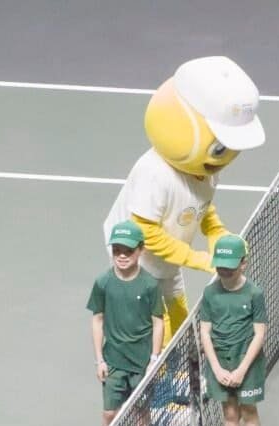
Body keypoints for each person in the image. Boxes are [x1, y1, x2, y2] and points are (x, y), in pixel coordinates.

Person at [103, 56, 265, 345]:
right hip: (138, 262)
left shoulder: (206, 169)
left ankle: (181, 363)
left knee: (179, 318)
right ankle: (153, 370)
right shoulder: (155, 174)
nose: (227, 154)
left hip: (169, 259)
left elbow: (201, 206)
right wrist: (199, 260)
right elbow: (145, 232)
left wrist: (219, 236)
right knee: (157, 328)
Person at [86, 220, 164, 426]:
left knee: (141, 412)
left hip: (141, 364)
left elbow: (158, 322)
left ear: (140, 250)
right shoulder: (103, 283)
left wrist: (154, 358)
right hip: (113, 363)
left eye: (128, 250)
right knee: (109, 413)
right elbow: (97, 320)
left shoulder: (149, 285)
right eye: (117, 250)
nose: (121, 255)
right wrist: (99, 359)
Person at [199, 235, 268, 426]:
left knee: (248, 410)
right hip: (220, 362)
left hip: (247, 363)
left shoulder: (255, 293)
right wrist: (217, 368)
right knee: (229, 412)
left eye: (230, 265)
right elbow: (205, 333)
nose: (224, 271)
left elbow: (259, 334)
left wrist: (241, 370)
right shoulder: (210, 293)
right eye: (220, 265)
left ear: (243, 264)